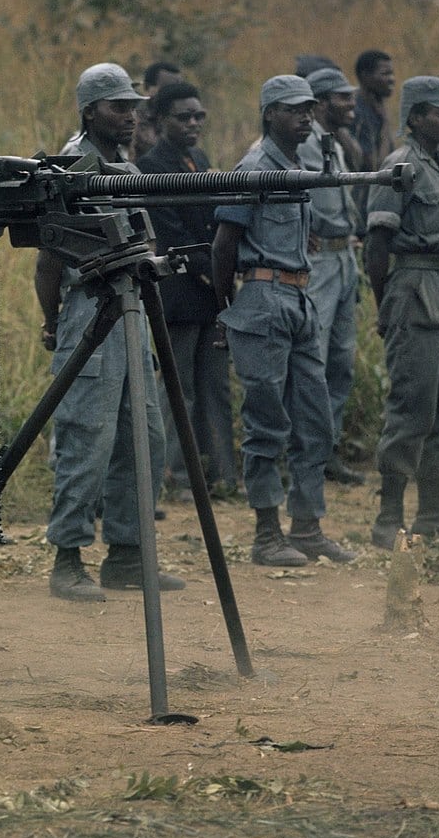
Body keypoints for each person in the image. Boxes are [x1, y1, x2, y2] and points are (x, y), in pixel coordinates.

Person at [34, 63, 183, 601]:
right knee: (86, 437)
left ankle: (127, 554)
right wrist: (52, 323)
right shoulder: (74, 166)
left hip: (134, 311)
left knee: (144, 437)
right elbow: (49, 260)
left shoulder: (125, 164)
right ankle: (67, 557)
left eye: (133, 106)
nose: (130, 116)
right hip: (90, 310)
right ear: (90, 109)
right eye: (118, 107)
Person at [212, 75, 356, 567]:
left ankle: (308, 526)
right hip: (262, 298)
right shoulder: (254, 167)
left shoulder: (297, 166)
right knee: (266, 422)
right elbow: (224, 246)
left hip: (298, 298)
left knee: (315, 420)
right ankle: (267, 533)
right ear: (269, 113)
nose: (306, 118)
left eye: (309, 110)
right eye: (295, 110)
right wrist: (224, 310)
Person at [364, 77, 439, 549]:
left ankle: (433, 515)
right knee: (411, 406)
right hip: (413, 286)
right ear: (416, 117)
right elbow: (377, 243)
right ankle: (388, 519)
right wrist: (385, 307)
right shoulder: (401, 165)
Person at [137, 81, 236, 500]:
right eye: (183, 117)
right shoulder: (150, 168)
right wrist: (216, 272)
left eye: (199, 116)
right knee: (180, 391)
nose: (193, 124)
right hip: (178, 292)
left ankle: (223, 476)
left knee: (215, 388)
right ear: (160, 122)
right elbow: (171, 234)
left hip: (210, 290)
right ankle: (175, 477)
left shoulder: (197, 158)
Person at [300, 66, 365, 486]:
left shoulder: (334, 143)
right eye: (343, 99)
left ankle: (327, 450)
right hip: (320, 260)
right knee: (315, 360)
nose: (351, 106)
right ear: (321, 103)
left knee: (341, 361)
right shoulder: (305, 144)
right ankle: (308, 453)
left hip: (344, 259)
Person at [350, 49, 396, 234]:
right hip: (359, 209)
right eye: (385, 73)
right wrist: (385, 123)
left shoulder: (374, 106)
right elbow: (375, 167)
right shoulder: (355, 112)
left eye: (391, 73)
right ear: (365, 76)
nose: (392, 79)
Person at [130, 60, 182, 162]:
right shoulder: (132, 119)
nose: (174, 94)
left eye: (179, 88)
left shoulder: (181, 118)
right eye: (167, 88)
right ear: (147, 87)